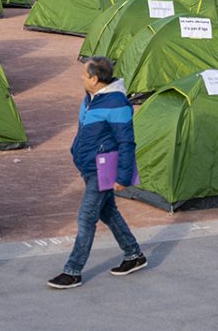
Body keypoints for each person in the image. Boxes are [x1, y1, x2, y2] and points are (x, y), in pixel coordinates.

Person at [47, 57, 146, 289]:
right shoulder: (91, 98)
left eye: (84, 74)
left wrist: (123, 177)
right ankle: (134, 254)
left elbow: (127, 143)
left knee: (86, 217)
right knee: (108, 212)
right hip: (89, 166)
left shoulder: (117, 104)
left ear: (95, 78)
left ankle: (73, 271)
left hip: (103, 168)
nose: (81, 77)